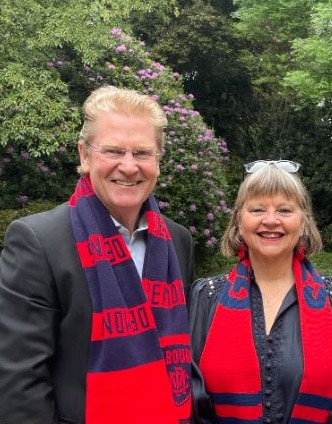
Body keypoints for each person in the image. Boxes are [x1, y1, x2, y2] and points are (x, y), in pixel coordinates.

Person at [0, 85, 195, 424]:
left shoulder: (178, 241)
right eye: (114, 151)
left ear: (158, 161)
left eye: (143, 153)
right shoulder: (38, 241)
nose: (129, 166)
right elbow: (19, 380)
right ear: (84, 155)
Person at [189, 160, 332, 423]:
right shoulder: (205, 298)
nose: (271, 220)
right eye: (257, 209)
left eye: (284, 210)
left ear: (303, 222)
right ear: (238, 222)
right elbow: (191, 398)